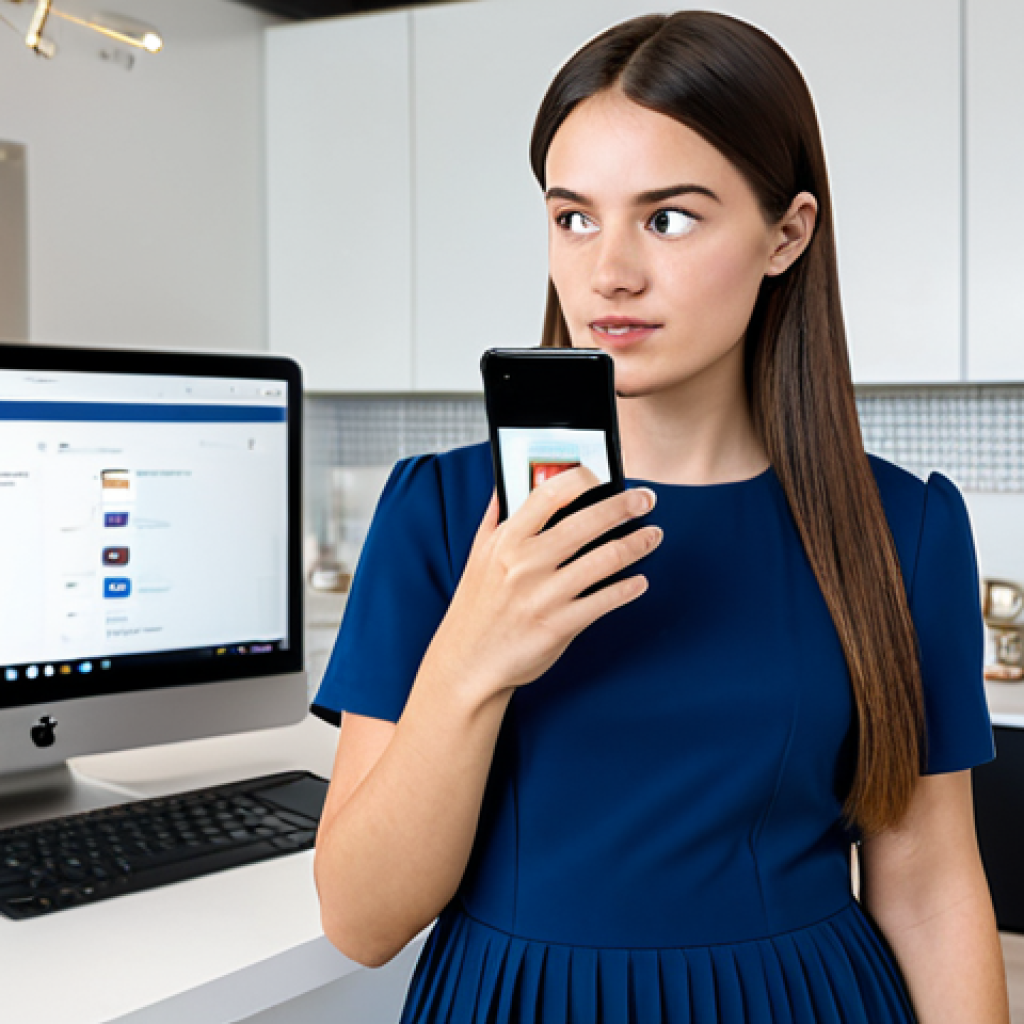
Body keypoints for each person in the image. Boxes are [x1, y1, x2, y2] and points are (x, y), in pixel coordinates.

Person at [311, 11, 1009, 1022]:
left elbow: (931, 889)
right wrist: (476, 651)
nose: (609, 272)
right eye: (574, 217)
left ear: (787, 232)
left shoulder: (903, 529)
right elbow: (362, 920)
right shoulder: (444, 514)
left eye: (667, 217)